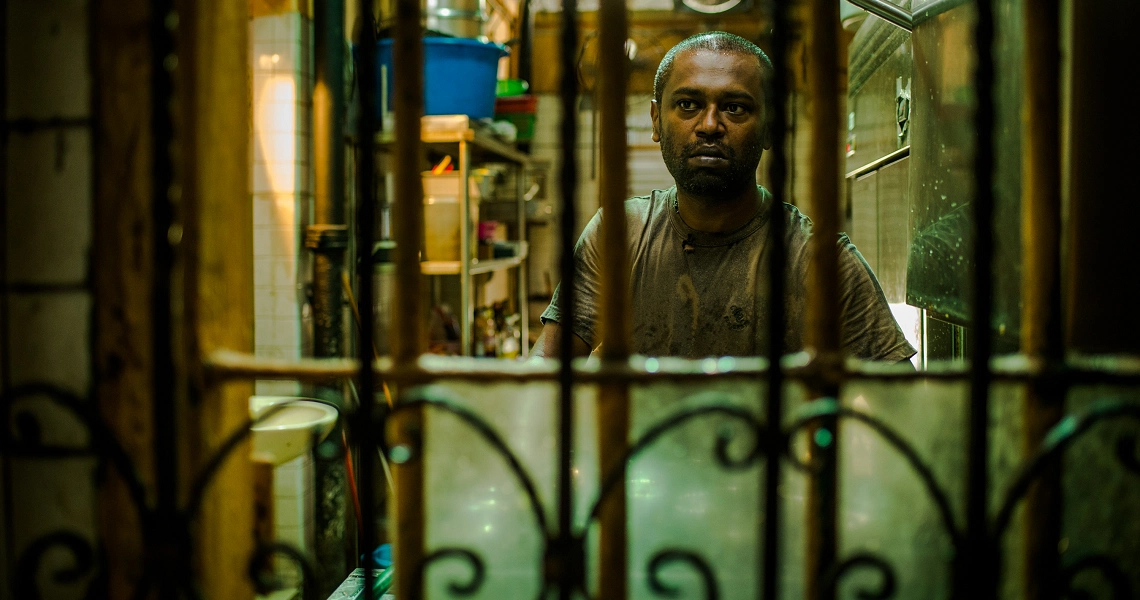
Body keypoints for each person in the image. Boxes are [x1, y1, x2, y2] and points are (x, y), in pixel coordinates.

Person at [533, 31, 916, 363]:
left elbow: (896, 405)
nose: (710, 125)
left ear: (770, 128)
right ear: (656, 121)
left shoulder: (818, 261)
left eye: (735, 108)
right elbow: (543, 376)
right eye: (688, 105)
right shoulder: (620, 234)